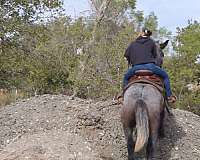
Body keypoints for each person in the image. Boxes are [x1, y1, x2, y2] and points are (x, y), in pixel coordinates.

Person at [121, 28, 176, 103]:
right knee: (165, 76)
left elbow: (126, 56)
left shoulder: (133, 43)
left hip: (136, 68)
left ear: (141, 33)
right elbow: (155, 55)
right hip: (150, 67)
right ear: (148, 35)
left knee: (126, 78)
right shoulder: (152, 42)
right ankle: (169, 96)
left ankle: (123, 96)